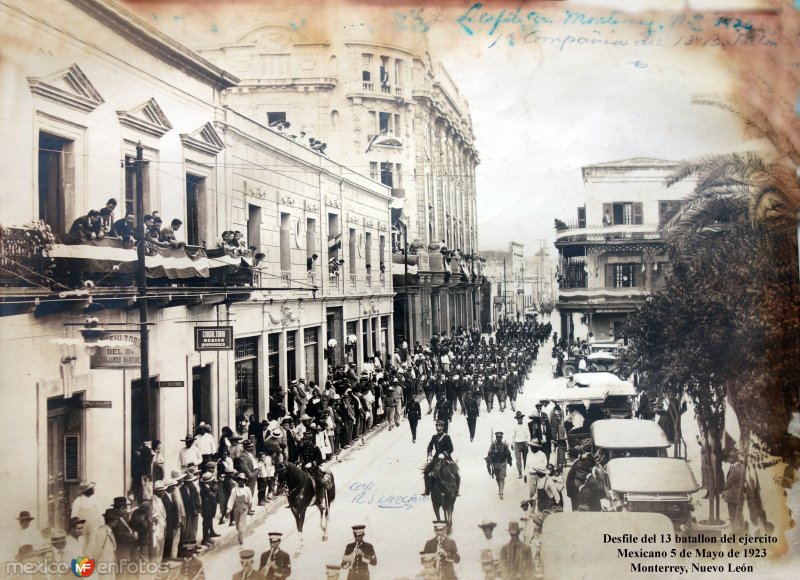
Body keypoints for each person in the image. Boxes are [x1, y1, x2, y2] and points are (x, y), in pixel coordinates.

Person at [422, 421, 454, 496]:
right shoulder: (434, 437)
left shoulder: (447, 437)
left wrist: (444, 454)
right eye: (437, 426)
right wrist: (429, 453)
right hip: (436, 458)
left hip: (446, 458)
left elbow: (451, 448)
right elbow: (430, 446)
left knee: (453, 471)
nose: (438, 427)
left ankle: (454, 489)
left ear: (443, 427)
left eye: (439, 426)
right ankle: (427, 489)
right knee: (426, 471)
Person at [71, 482, 103, 551]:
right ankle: (83, 557)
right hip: (82, 525)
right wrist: (76, 527)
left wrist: (101, 524)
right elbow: (74, 515)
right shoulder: (78, 501)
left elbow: (99, 513)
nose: (93, 490)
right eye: (91, 489)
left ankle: (90, 557)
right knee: (83, 541)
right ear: (86, 491)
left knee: (93, 541)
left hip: (94, 524)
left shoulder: (95, 499)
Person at [724, 450, 746, 534]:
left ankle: (735, 532)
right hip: (739, 495)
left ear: (734, 458)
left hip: (733, 496)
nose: (728, 459)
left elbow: (728, 483)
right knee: (739, 514)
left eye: (730, 457)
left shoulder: (735, 470)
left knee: (733, 515)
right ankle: (741, 530)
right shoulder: (741, 467)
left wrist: (724, 488)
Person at [486, 432, 513, 499]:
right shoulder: (493, 445)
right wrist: (489, 459)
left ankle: (501, 492)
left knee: (502, 477)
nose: (499, 438)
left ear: (502, 437)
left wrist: (509, 461)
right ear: (496, 437)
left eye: (500, 437)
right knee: (497, 478)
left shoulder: (504, 445)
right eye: (497, 437)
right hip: (495, 464)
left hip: (503, 463)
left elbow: (508, 453)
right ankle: (500, 488)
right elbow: (489, 453)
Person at [228, 473, 253, 545]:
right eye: (240, 480)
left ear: (245, 481)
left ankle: (241, 540)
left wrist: (249, 506)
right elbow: (231, 499)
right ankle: (240, 534)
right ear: (238, 481)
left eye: (243, 480)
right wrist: (229, 508)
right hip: (236, 509)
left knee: (241, 526)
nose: (241, 482)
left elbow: (250, 499)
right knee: (237, 526)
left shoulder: (247, 489)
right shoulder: (234, 490)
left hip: (244, 509)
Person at [511, 411, 529, 479]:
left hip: (524, 443)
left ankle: (525, 472)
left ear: (522, 418)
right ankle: (520, 472)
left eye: (521, 418)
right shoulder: (515, 426)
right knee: (518, 459)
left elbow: (528, 435)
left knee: (525, 459)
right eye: (518, 418)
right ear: (517, 419)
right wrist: (512, 443)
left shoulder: (525, 425)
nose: (520, 419)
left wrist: (527, 442)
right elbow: (513, 436)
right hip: (517, 444)